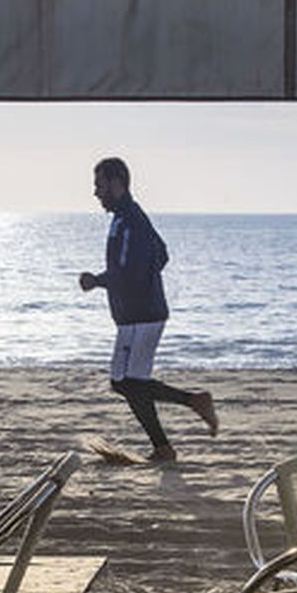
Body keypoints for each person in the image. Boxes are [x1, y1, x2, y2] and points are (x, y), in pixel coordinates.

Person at [79, 157, 216, 463]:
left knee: (126, 382)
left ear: (117, 184)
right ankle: (165, 444)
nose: (96, 192)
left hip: (142, 315)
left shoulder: (131, 220)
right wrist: (141, 280)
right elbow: (161, 253)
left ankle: (191, 406)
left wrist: (98, 281)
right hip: (136, 314)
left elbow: (132, 270)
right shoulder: (125, 217)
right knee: (126, 382)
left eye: (100, 185)